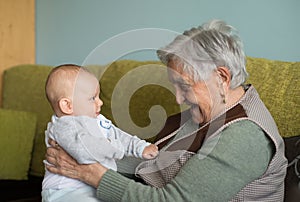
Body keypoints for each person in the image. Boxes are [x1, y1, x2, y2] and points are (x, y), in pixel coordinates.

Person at [45, 20, 288, 201]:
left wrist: (93, 174)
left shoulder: (244, 135)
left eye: (184, 86)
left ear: (221, 77)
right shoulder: (208, 112)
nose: (177, 97)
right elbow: (155, 164)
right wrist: (86, 161)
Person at [42, 64, 158, 202]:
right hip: (66, 191)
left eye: (99, 96)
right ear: (68, 105)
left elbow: (119, 136)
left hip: (93, 185)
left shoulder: (98, 120)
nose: (101, 102)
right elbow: (85, 152)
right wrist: (116, 148)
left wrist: (140, 147)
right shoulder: (64, 126)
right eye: (93, 98)